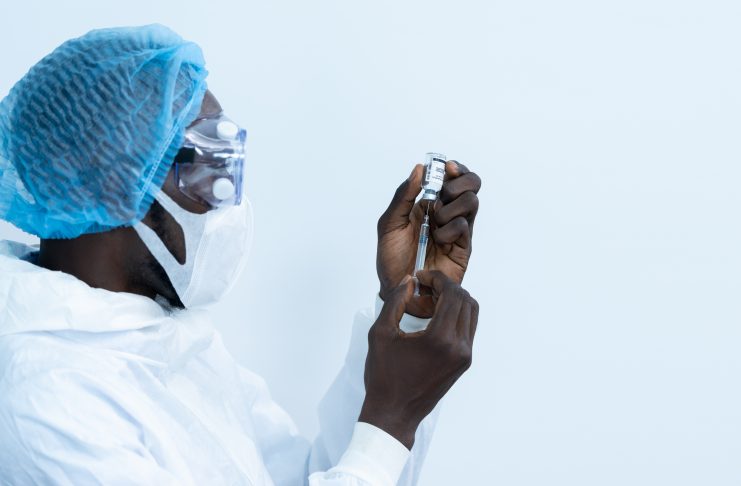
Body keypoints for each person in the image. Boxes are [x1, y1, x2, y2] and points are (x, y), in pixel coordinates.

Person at [0, 25, 481, 485]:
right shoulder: (44, 399)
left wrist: (409, 307)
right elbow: (371, 454)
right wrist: (390, 419)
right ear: (112, 186)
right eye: (201, 165)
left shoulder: (162, 335)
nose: (225, 200)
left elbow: (309, 477)